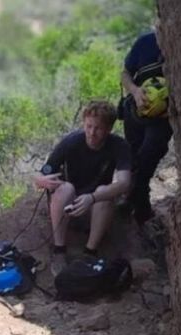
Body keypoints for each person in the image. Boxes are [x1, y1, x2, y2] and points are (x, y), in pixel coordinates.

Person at [34, 101, 132, 275]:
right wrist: (43, 181)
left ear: (109, 129)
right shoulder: (72, 142)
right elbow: (41, 174)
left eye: (98, 128)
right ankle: (59, 249)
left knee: (104, 192)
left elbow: (124, 183)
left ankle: (90, 252)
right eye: (89, 126)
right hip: (67, 203)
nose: (92, 133)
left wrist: (93, 197)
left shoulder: (119, 146)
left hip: (94, 204)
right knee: (65, 188)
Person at [121, 29, 173, 225]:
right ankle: (138, 208)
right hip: (134, 112)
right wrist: (135, 91)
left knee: (147, 157)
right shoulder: (145, 42)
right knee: (132, 158)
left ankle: (137, 208)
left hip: (162, 120)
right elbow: (125, 73)